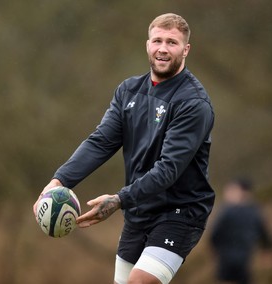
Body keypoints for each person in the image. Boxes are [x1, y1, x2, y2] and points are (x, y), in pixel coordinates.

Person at [33, 13, 215, 284]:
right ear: (147, 45)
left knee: (139, 282)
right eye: (157, 41)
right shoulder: (128, 91)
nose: (163, 48)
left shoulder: (193, 103)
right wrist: (58, 181)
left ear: (185, 49)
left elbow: (168, 169)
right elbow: (101, 142)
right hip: (139, 210)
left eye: (172, 42)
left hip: (179, 212)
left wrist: (118, 199)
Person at [209, 178, 272, 284]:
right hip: (244, 258)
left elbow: (214, 235)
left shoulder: (227, 211)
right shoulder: (255, 212)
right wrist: (268, 249)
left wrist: (216, 251)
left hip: (226, 259)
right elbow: (264, 234)